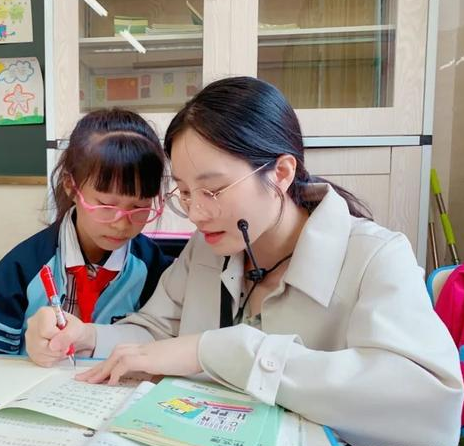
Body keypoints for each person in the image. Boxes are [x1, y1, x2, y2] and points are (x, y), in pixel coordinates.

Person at [25, 77, 464, 446]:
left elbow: (429, 405)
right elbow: (155, 332)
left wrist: (220, 351)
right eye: (183, 191)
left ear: (282, 173)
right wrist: (86, 336)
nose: (196, 212)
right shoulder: (207, 247)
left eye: (212, 190)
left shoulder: (375, 256)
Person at [0, 108, 173, 357]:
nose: (121, 224)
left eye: (139, 207)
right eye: (106, 206)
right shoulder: (22, 267)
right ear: (71, 186)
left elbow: (168, 343)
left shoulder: (154, 268)